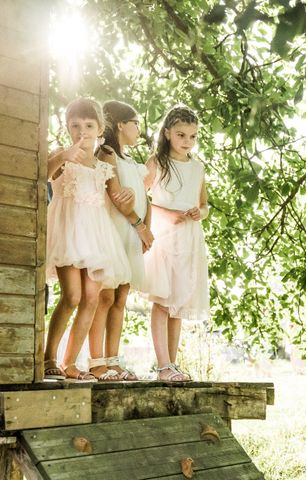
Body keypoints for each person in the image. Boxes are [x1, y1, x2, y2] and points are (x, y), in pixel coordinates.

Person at [44, 98, 131, 381]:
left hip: (95, 236)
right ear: (67, 127)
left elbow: (116, 200)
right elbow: (43, 174)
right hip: (68, 232)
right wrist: (64, 155)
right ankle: (49, 357)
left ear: (100, 128)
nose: (83, 131)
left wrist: (128, 198)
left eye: (89, 125)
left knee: (92, 298)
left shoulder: (102, 166)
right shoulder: (61, 155)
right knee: (72, 296)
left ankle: (70, 363)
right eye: (75, 125)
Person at [88, 100, 154, 381]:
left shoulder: (133, 163)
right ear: (120, 125)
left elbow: (145, 200)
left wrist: (145, 228)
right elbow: (115, 195)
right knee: (104, 295)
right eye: (135, 123)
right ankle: (96, 361)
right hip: (112, 230)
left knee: (120, 298)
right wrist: (139, 226)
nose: (139, 129)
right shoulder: (107, 153)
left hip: (131, 233)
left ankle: (114, 360)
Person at [144, 105, 210, 382]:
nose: (187, 141)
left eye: (193, 136)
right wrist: (168, 213)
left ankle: (172, 364)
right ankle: (162, 366)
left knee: (179, 304)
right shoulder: (157, 163)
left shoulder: (197, 167)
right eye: (182, 135)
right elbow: (141, 199)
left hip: (190, 239)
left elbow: (204, 204)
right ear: (168, 133)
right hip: (164, 237)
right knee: (163, 300)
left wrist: (200, 213)